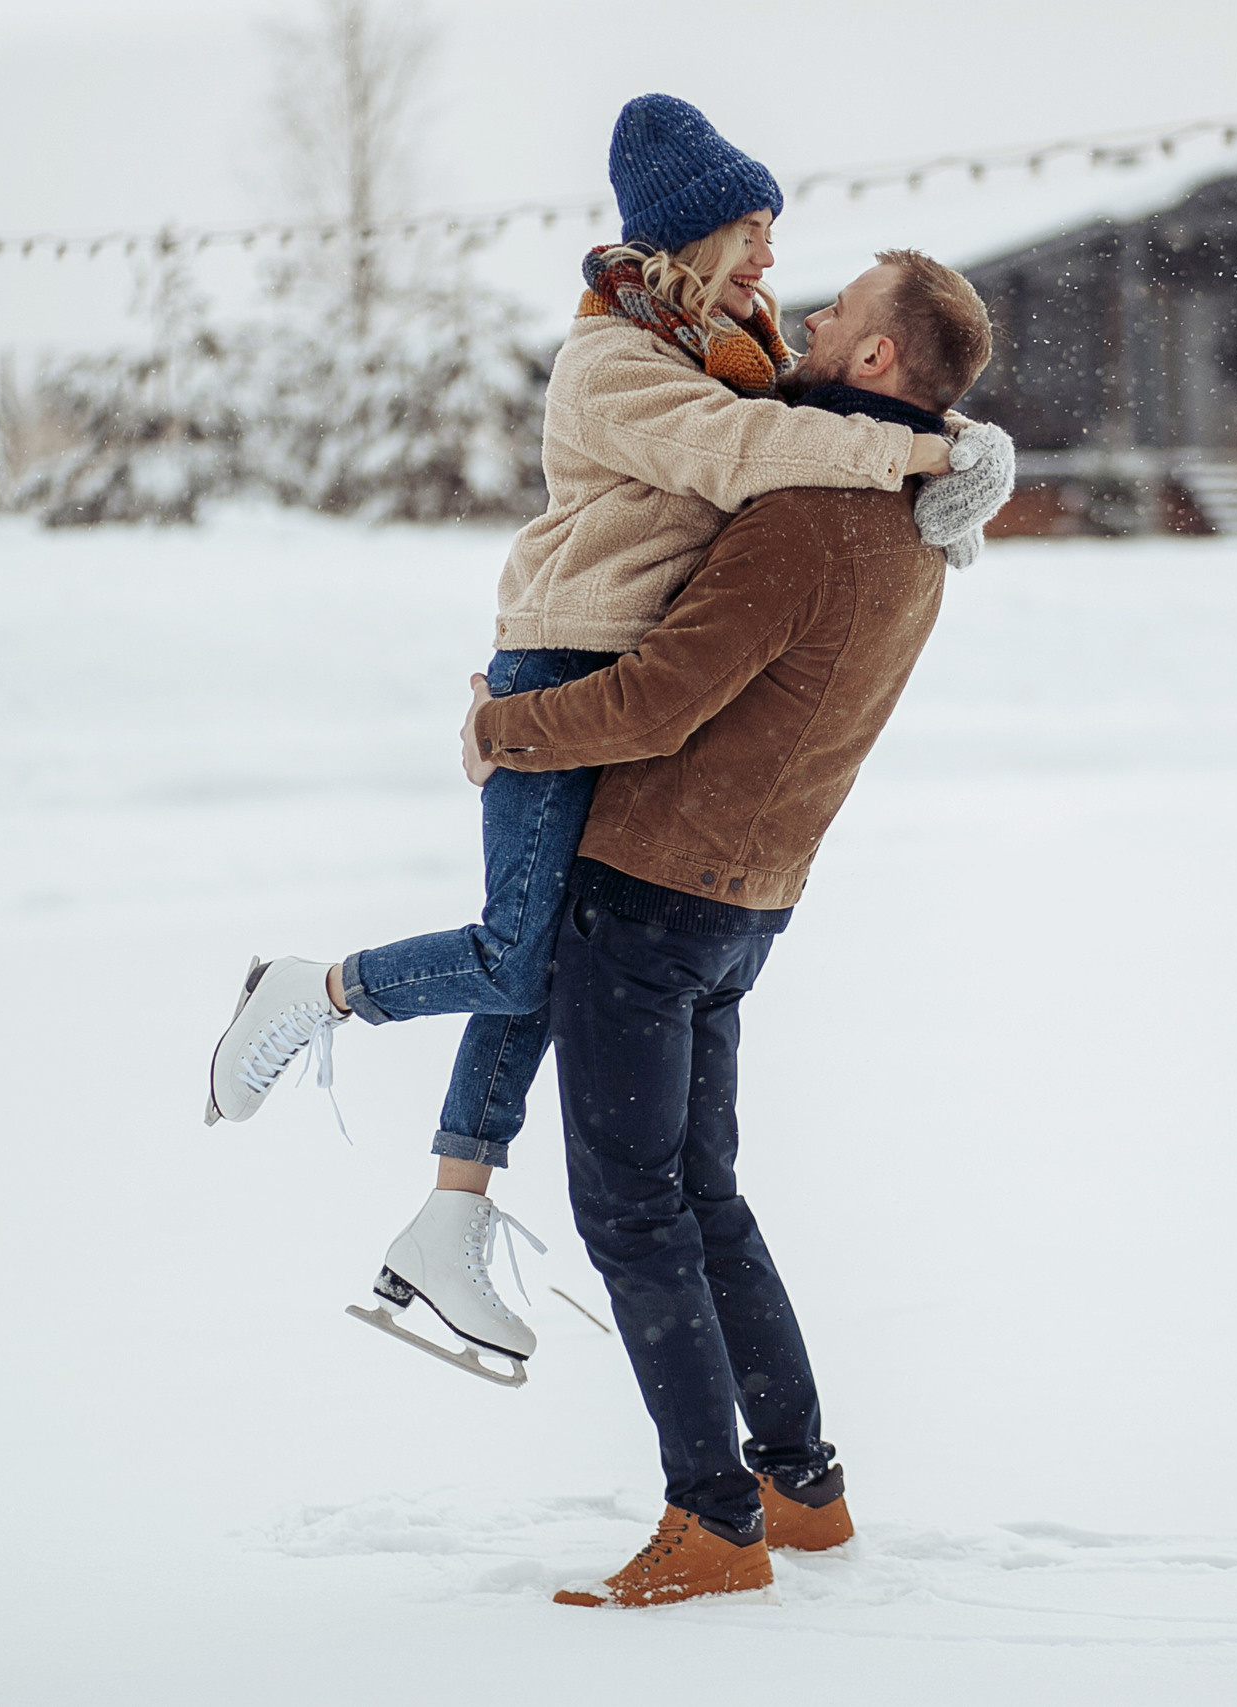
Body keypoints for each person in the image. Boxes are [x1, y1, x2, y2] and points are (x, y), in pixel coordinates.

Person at [199, 95, 1016, 1385]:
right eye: (752, 231)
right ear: (692, 236)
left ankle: (450, 1218)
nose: (772, 259)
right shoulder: (616, 363)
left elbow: (827, 410)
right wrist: (922, 453)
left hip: (638, 672)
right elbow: (745, 451)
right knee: (517, 955)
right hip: (567, 663)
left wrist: (955, 440)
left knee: (550, 956)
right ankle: (318, 990)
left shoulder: (735, 344)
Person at [458, 247, 998, 1607]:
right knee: (703, 1197)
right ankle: (801, 1487)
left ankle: (713, 1521)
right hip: (746, 900)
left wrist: (504, 727)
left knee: (633, 1212)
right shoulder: (920, 524)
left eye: (841, 310)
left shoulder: (812, 515)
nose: (811, 314)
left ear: (877, 358)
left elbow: (656, 699)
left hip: (651, 895)